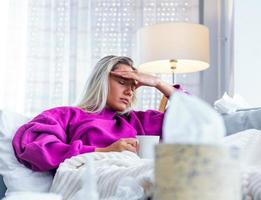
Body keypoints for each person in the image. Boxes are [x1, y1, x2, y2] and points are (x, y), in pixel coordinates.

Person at [12, 55, 178, 172]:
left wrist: (158, 83)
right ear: (101, 81)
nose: (129, 92)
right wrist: (104, 151)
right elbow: (36, 149)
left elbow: (193, 121)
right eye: (122, 82)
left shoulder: (137, 121)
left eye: (133, 87)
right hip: (91, 179)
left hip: (138, 178)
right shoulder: (66, 115)